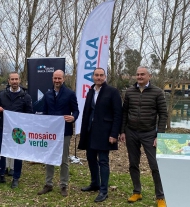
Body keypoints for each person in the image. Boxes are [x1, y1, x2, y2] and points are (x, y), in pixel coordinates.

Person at [120, 66, 168, 207]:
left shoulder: (158, 92)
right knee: (133, 164)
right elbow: (124, 113)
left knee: (155, 165)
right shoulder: (129, 92)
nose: (139, 76)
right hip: (131, 132)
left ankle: (160, 196)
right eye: (137, 74)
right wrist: (122, 131)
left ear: (149, 76)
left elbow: (163, 114)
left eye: (142, 74)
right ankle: (137, 191)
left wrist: (160, 135)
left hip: (149, 134)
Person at [77, 68, 122, 202]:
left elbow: (118, 114)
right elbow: (87, 112)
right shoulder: (91, 91)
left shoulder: (112, 92)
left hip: (105, 133)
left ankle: (104, 190)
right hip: (90, 131)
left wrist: (114, 133)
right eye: (96, 75)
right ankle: (95, 183)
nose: (99, 77)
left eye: (101, 75)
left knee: (103, 161)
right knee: (90, 158)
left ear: (105, 77)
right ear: (93, 77)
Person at [37, 69, 79, 197]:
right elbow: (44, 111)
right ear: (52, 79)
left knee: (63, 159)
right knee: (49, 157)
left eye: (59, 78)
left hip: (65, 131)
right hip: (50, 132)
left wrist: (73, 118)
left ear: (64, 79)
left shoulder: (70, 94)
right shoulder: (48, 94)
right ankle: (48, 184)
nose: (57, 81)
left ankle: (63, 185)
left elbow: (76, 111)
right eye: (55, 78)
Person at [0, 72, 33, 188]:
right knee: (1, 152)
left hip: (18, 131)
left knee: (17, 154)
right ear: (8, 81)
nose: (14, 81)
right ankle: (1, 175)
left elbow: (29, 114)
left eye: (16, 79)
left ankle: (16, 178)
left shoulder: (26, 96)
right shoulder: (2, 94)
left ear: (19, 81)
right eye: (12, 79)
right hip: (3, 128)